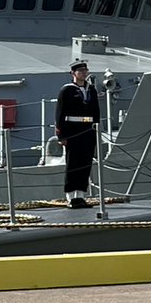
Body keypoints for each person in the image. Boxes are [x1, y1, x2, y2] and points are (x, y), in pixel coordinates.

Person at [55, 59, 101, 207]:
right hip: (72, 130)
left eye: (85, 71)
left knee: (85, 163)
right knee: (73, 163)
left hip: (87, 129)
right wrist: (61, 135)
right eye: (80, 71)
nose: (83, 73)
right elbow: (60, 114)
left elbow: (96, 111)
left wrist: (97, 128)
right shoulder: (67, 90)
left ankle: (80, 195)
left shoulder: (91, 89)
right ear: (73, 73)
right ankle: (70, 196)